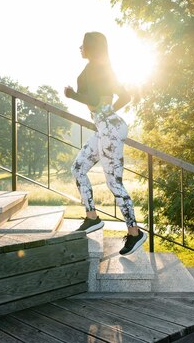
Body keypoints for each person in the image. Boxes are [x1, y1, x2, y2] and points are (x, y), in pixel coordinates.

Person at [64, 31, 146, 256]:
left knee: (114, 183)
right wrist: (106, 114)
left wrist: (71, 95)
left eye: (82, 44)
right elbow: (125, 96)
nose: (79, 47)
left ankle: (134, 232)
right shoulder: (104, 68)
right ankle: (92, 218)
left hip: (109, 128)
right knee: (78, 168)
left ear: (90, 47)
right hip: (106, 127)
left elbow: (92, 100)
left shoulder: (93, 70)